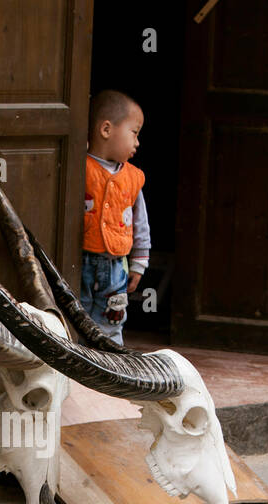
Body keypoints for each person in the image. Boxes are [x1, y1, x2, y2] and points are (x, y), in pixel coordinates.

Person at [81, 90, 150, 346]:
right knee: (74, 317)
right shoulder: (80, 167)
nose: (137, 142)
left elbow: (141, 224)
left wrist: (139, 264)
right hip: (80, 263)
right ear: (106, 129)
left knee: (111, 322)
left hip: (115, 268)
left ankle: (109, 370)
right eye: (134, 132)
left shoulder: (132, 178)